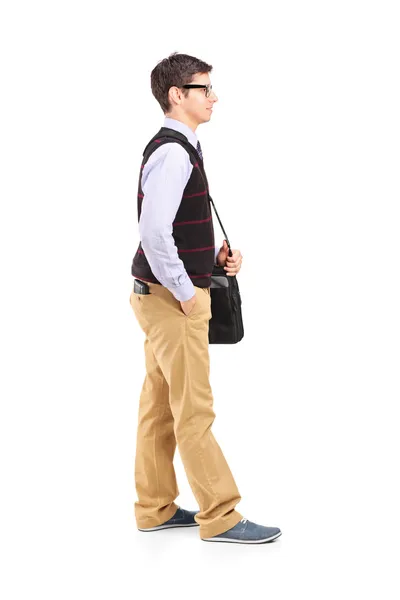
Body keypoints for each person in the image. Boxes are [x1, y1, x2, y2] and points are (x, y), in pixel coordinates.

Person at [129, 52, 281, 544]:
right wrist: (185, 292)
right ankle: (221, 515)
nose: (213, 97)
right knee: (193, 408)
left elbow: (170, 224)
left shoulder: (181, 147)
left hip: (154, 294)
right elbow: (153, 233)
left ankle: (154, 508)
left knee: (160, 405)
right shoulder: (174, 151)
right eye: (204, 89)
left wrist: (214, 254)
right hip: (172, 300)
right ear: (178, 95)